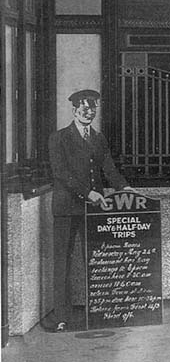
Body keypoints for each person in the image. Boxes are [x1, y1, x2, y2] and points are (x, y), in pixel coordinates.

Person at [45, 89, 134, 332]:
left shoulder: (98, 138)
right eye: (84, 108)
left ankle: (97, 312)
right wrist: (90, 193)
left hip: (92, 210)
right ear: (74, 110)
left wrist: (125, 188)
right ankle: (62, 317)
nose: (89, 112)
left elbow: (109, 168)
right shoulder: (58, 138)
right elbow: (61, 174)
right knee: (62, 263)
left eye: (92, 108)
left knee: (95, 262)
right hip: (66, 209)